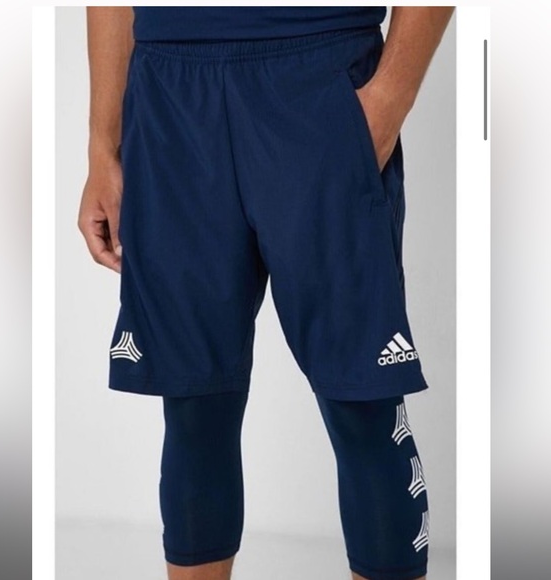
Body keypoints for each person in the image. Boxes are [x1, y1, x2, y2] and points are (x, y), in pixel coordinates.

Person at [78, 7, 454, 580]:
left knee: (363, 402)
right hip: (170, 92)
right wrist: (102, 148)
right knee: (194, 404)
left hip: (317, 70)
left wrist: (388, 102)